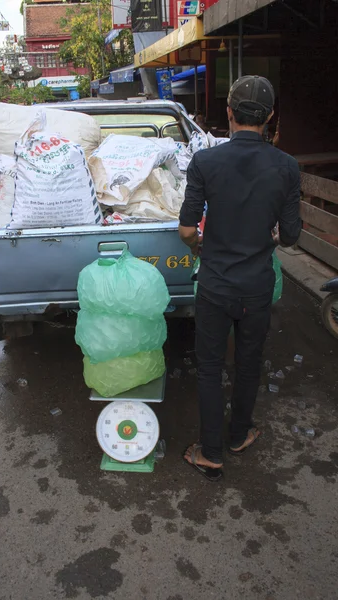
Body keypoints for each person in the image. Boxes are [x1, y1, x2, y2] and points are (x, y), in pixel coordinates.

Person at [179, 75, 302, 481]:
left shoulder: (205, 162)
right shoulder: (286, 167)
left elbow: (186, 230)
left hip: (214, 285)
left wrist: (202, 247)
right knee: (249, 363)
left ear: (229, 114)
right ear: (268, 117)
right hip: (256, 286)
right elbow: (291, 235)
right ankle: (239, 434)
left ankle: (210, 452)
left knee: (211, 367)